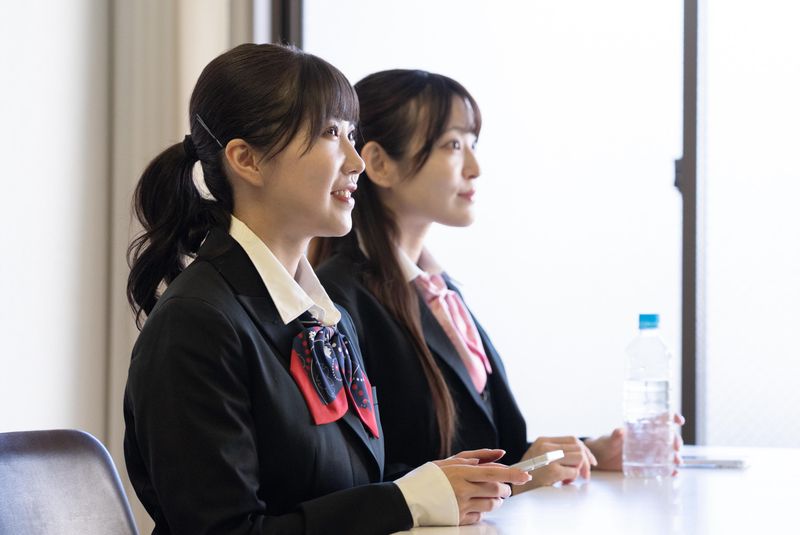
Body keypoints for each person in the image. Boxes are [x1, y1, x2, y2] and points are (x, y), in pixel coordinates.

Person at [123, 45, 531, 535]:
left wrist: (437, 483)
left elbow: (343, 490)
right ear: (247, 160)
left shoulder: (327, 317)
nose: (356, 161)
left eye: (351, 135)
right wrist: (405, 501)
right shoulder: (197, 322)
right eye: (330, 133)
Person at [310, 69, 683, 489]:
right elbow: (361, 481)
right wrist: (523, 474)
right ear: (379, 163)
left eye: (473, 144)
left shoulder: (438, 290)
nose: (474, 168)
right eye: (453, 145)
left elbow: (491, 446)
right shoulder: (337, 301)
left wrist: (589, 451)